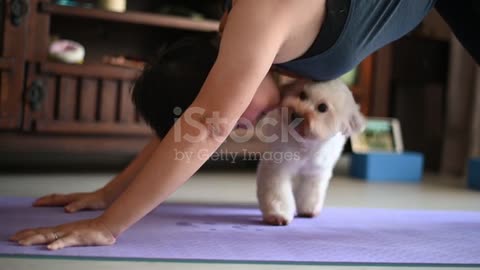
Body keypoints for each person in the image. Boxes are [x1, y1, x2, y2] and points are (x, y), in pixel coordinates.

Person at [10, 0, 479, 250]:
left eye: (238, 114)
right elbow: (189, 127)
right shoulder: (242, 55)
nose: (245, 125)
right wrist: (109, 192)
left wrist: (110, 226)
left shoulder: (255, 20)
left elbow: (206, 124)